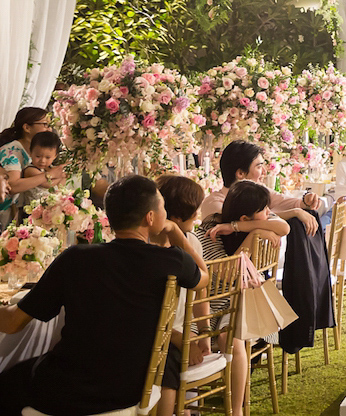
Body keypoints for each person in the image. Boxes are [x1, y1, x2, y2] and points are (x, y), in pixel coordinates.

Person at [0, 175, 208, 416]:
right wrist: (175, 232)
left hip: (68, 389)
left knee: (9, 383)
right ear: (150, 218)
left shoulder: (75, 258)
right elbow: (203, 276)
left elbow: (13, 322)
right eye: (162, 207)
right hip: (134, 388)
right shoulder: (171, 261)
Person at [198, 180, 290, 416]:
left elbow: (285, 228)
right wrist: (257, 232)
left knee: (233, 336)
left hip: (247, 303)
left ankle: (236, 411)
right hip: (214, 304)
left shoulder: (239, 225)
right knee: (230, 335)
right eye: (264, 211)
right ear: (246, 216)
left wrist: (241, 227)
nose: (269, 215)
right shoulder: (211, 232)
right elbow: (230, 273)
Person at [152, 174, 209, 416]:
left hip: (180, 328)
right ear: (174, 218)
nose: (198, 215)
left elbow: (201, 286)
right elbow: (147, 309)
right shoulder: (147, 249)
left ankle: (185, 411)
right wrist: (179, 338)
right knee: (164, 360)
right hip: (154, 330)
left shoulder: (191, 242)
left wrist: (204, 331)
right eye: (195, 211)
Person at [200, 140, 320, 237]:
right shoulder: (215, 203)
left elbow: (283, 201)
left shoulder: (257, 192)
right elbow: (249, 224)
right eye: (259, 167)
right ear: (240, 173)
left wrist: (305, 202)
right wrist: (295, 212)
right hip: (230, 264)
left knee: (309, 215)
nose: (264, 172)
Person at [0, 107, 64, 228]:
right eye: (45, 124)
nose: (49, 129)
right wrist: (48, 176)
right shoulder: (12, 151)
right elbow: (12, 186)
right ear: (27, 128)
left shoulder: (35, 151)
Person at [18, 131, 64, 212]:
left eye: (47, 157)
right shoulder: (30, 170)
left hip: (49, 210)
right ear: (30, 152)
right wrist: (60, 176)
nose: (42, 160)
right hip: (32, 211)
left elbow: (61, 187)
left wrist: (62, 176)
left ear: (55, 156)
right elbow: (47, 183)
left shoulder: (51, 169)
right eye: (38, 156)